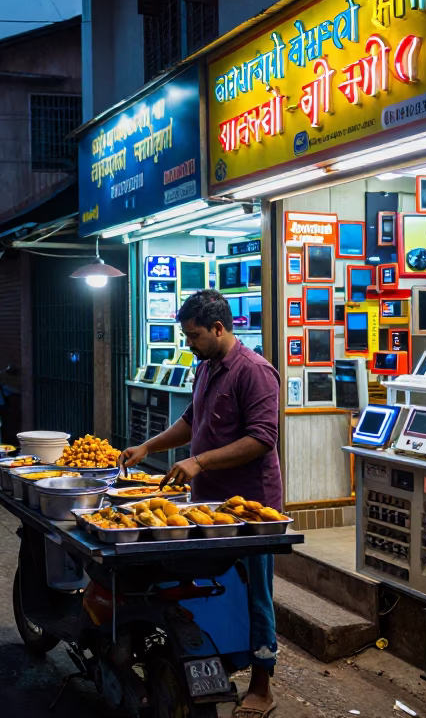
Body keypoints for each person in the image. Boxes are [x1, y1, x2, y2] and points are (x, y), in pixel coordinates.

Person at [118, 289, 282, 718]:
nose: (189, 344)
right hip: (208, 507)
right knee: (214, 589)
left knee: (255, 597)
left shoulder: (255, 372)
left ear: (218, 328)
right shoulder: (206, 367)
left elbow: (263, 438)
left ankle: (262, 686)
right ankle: (213, 661)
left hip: (248, 513)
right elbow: (192, 421)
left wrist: (199, 461)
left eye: (194, 336)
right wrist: (147, 446)